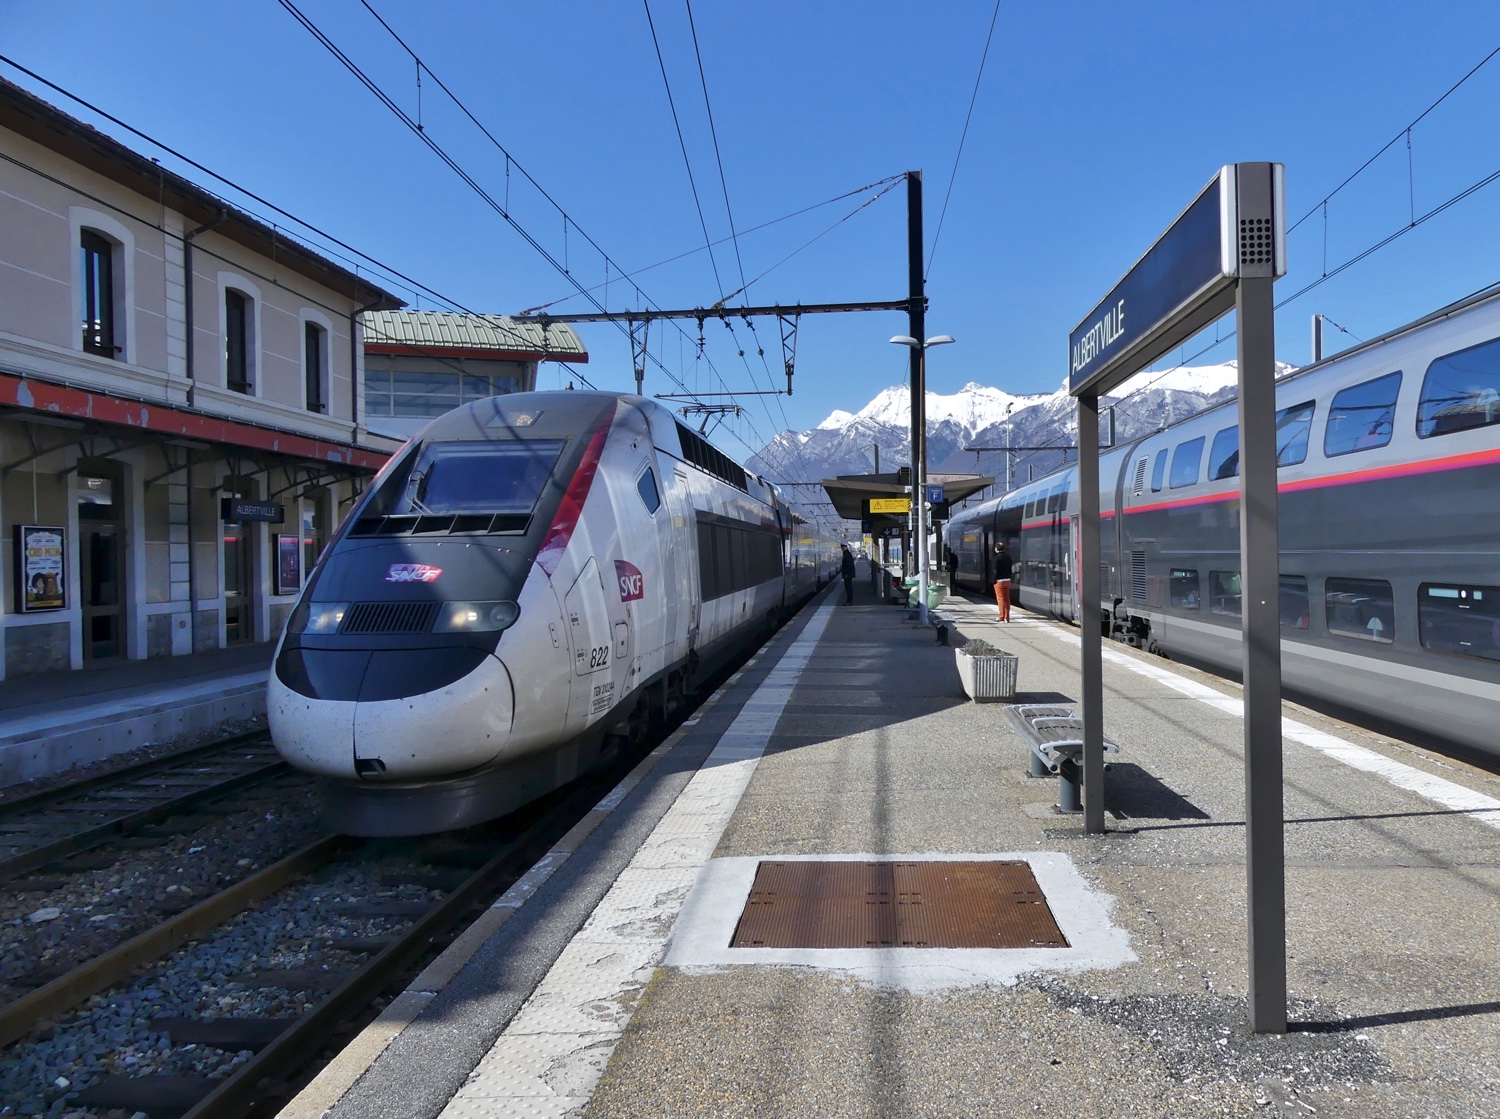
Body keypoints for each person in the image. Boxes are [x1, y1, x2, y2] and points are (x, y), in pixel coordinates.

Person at [992, 541, 1013, 622]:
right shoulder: (1008, 557)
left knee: (1001, 599)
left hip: (999, 581)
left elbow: (995, 571)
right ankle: (1007, 617)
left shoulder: (996, 558)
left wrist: (994, 580)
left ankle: (1001, 617)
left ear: (996, 549)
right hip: (1007, 580)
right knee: (1007, 599)